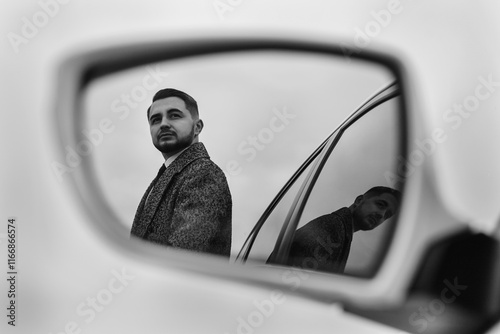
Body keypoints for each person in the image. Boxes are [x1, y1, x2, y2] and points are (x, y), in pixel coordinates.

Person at [130, 88, 232, 257]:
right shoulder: (166, 176)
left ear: (197, 127)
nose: (163, 124)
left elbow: (183, 260)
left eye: (174, 115)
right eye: (155, 119)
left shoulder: (204, 174)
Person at [285, 186, 401, 273]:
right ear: (359, 200)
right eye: (380, 205)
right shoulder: (332, 229)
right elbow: (303, 282)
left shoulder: (341, 231)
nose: (381, 215)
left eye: (387, 215)